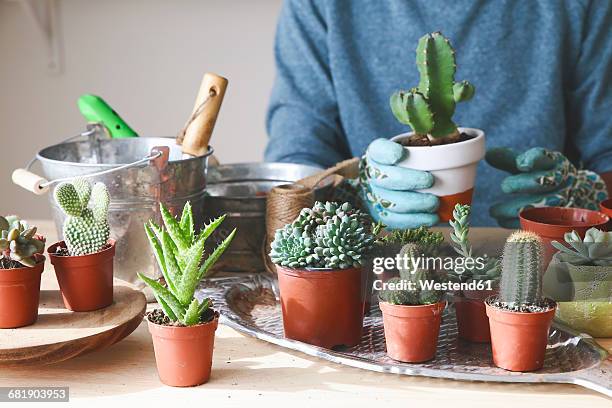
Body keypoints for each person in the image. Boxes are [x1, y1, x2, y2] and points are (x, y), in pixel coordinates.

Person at [264, 0, 612, 228]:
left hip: (544, 274)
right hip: (379, 278)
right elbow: (296, 164)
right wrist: (353, 195)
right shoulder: (319, 6)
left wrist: (585, 197)